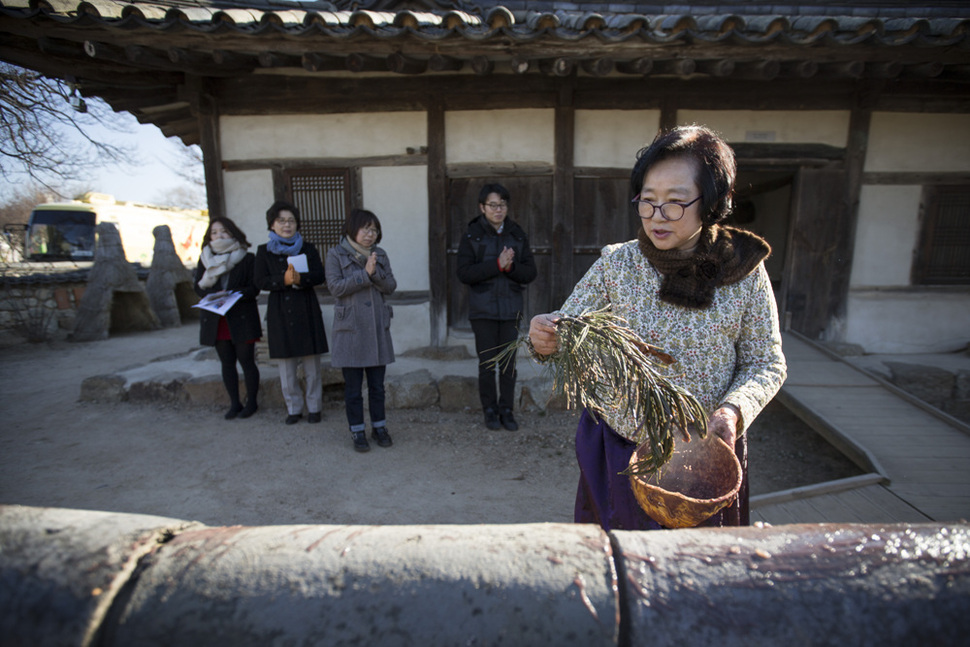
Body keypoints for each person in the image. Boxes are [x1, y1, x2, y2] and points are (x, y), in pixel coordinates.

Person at [528, 125, 787, 530]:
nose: (656, 217)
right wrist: (545, 337)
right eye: (647, 202)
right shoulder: (618, 266)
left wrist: (732, 412)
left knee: (697, 570)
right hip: (621, 449)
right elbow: (569, 333)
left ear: (713, 202)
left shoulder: (744, 272)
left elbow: (766, 363)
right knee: (622, 564)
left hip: (703, 460)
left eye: (675, 203)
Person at [457, 183, 537, 431]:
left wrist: (510, 268)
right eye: (493, 205)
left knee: (509, 365)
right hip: (483, 311)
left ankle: (507, 411)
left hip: (511, 309)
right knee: (487, 364)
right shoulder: (472, 235)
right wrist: (497, 266)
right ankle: (489, 411)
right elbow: (464, 273)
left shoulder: (517, 234)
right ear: (482, 207)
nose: (498, 209)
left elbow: (530, 273)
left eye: (502, 204)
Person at [326, 208, 397, 453]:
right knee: (353, 388)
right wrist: (364, 275)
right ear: (352, 229)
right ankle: (357, 431)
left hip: (377, 327)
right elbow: (335, 288)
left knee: (377, 386)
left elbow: (390, 286)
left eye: (374, 229)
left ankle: (379, 427)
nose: (370, 234)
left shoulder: (381, 254)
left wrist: (374, 272)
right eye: (365, 229)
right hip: (351, 329)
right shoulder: (336, 254)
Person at [254, 200, 329, 425]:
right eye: (281, 221)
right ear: (272, 225)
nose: (287, 225)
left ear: (297, 224)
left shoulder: (308, 248)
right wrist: (283, 280)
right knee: (286, 367)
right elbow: (259, 281)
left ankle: (315, 407)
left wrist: (301, 279)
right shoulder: (263, 251)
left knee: (312, 366)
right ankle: (294, 408)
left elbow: (319, 275)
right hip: (280, 311)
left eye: (291, 221)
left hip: (306, 308)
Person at [193, 217, 262, 420]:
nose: (219, 236)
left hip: (241, 316)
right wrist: (210, 294)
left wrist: (232, 293)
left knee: (247, 361)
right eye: (214, 232)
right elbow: (197, 286)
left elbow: (254, 288)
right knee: (227, 362)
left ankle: (252, 402)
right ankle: (234, 403)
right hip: (216, 318)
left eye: (223, 231)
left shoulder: (247, 258)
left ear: (233, 233)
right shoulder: (204, 258)